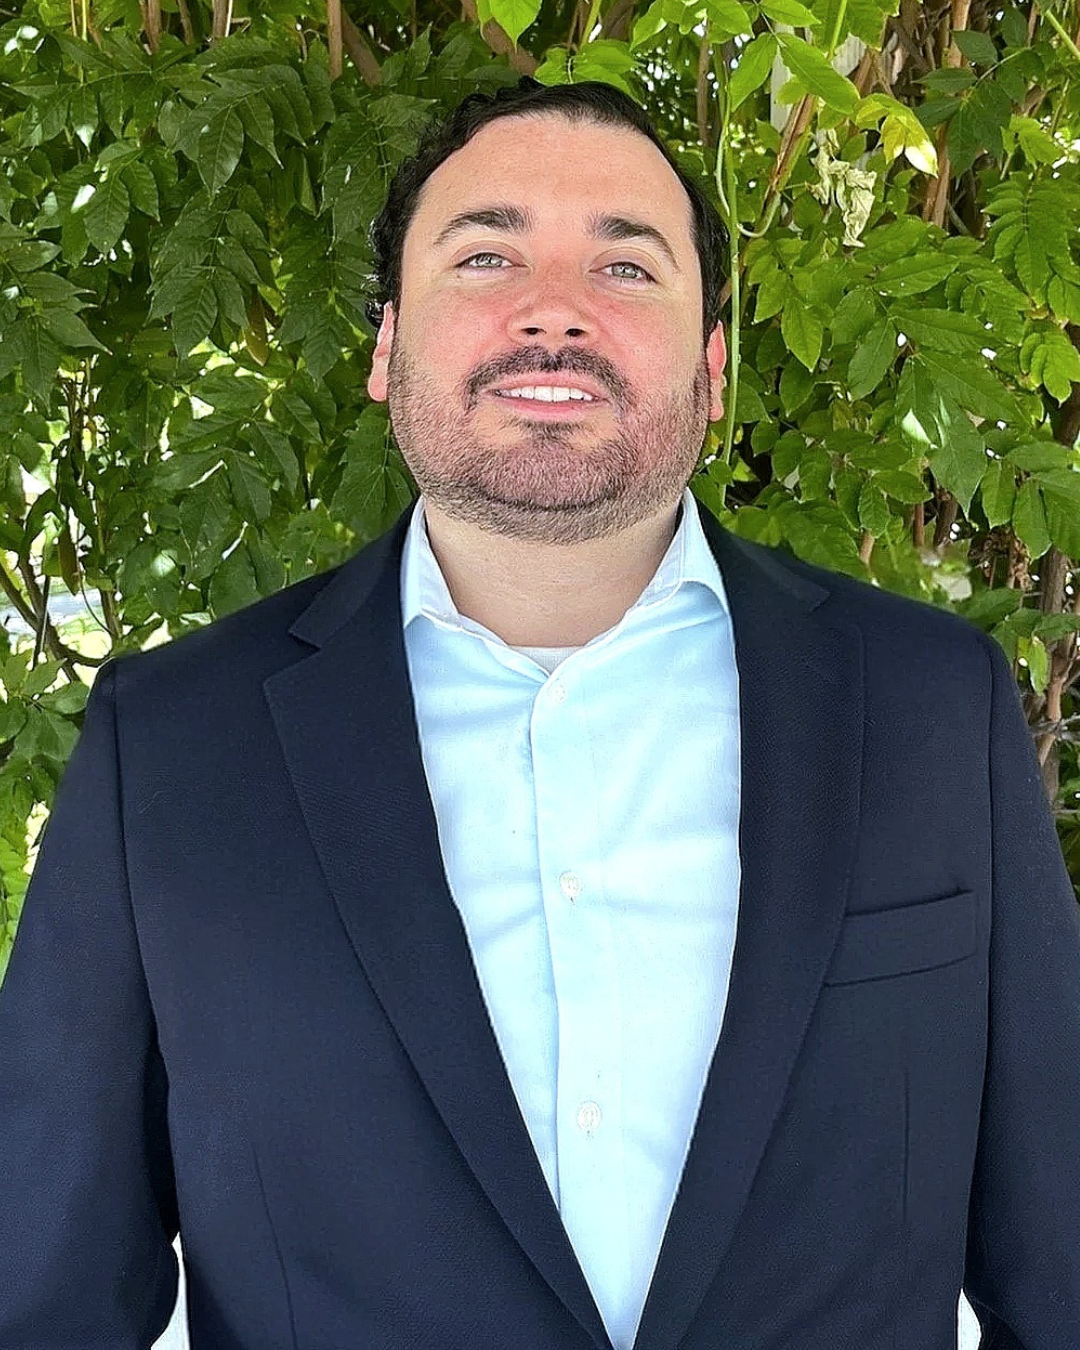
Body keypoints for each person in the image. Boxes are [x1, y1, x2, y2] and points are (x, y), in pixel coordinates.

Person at [1, 75, 1078, 1350]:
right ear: (387, 350)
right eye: (487, 255)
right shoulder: (169, 747)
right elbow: (47, 1295)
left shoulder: (929, 704)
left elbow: (1060, 1259)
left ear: (714, 368)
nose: (554, 310)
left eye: (625, 270)